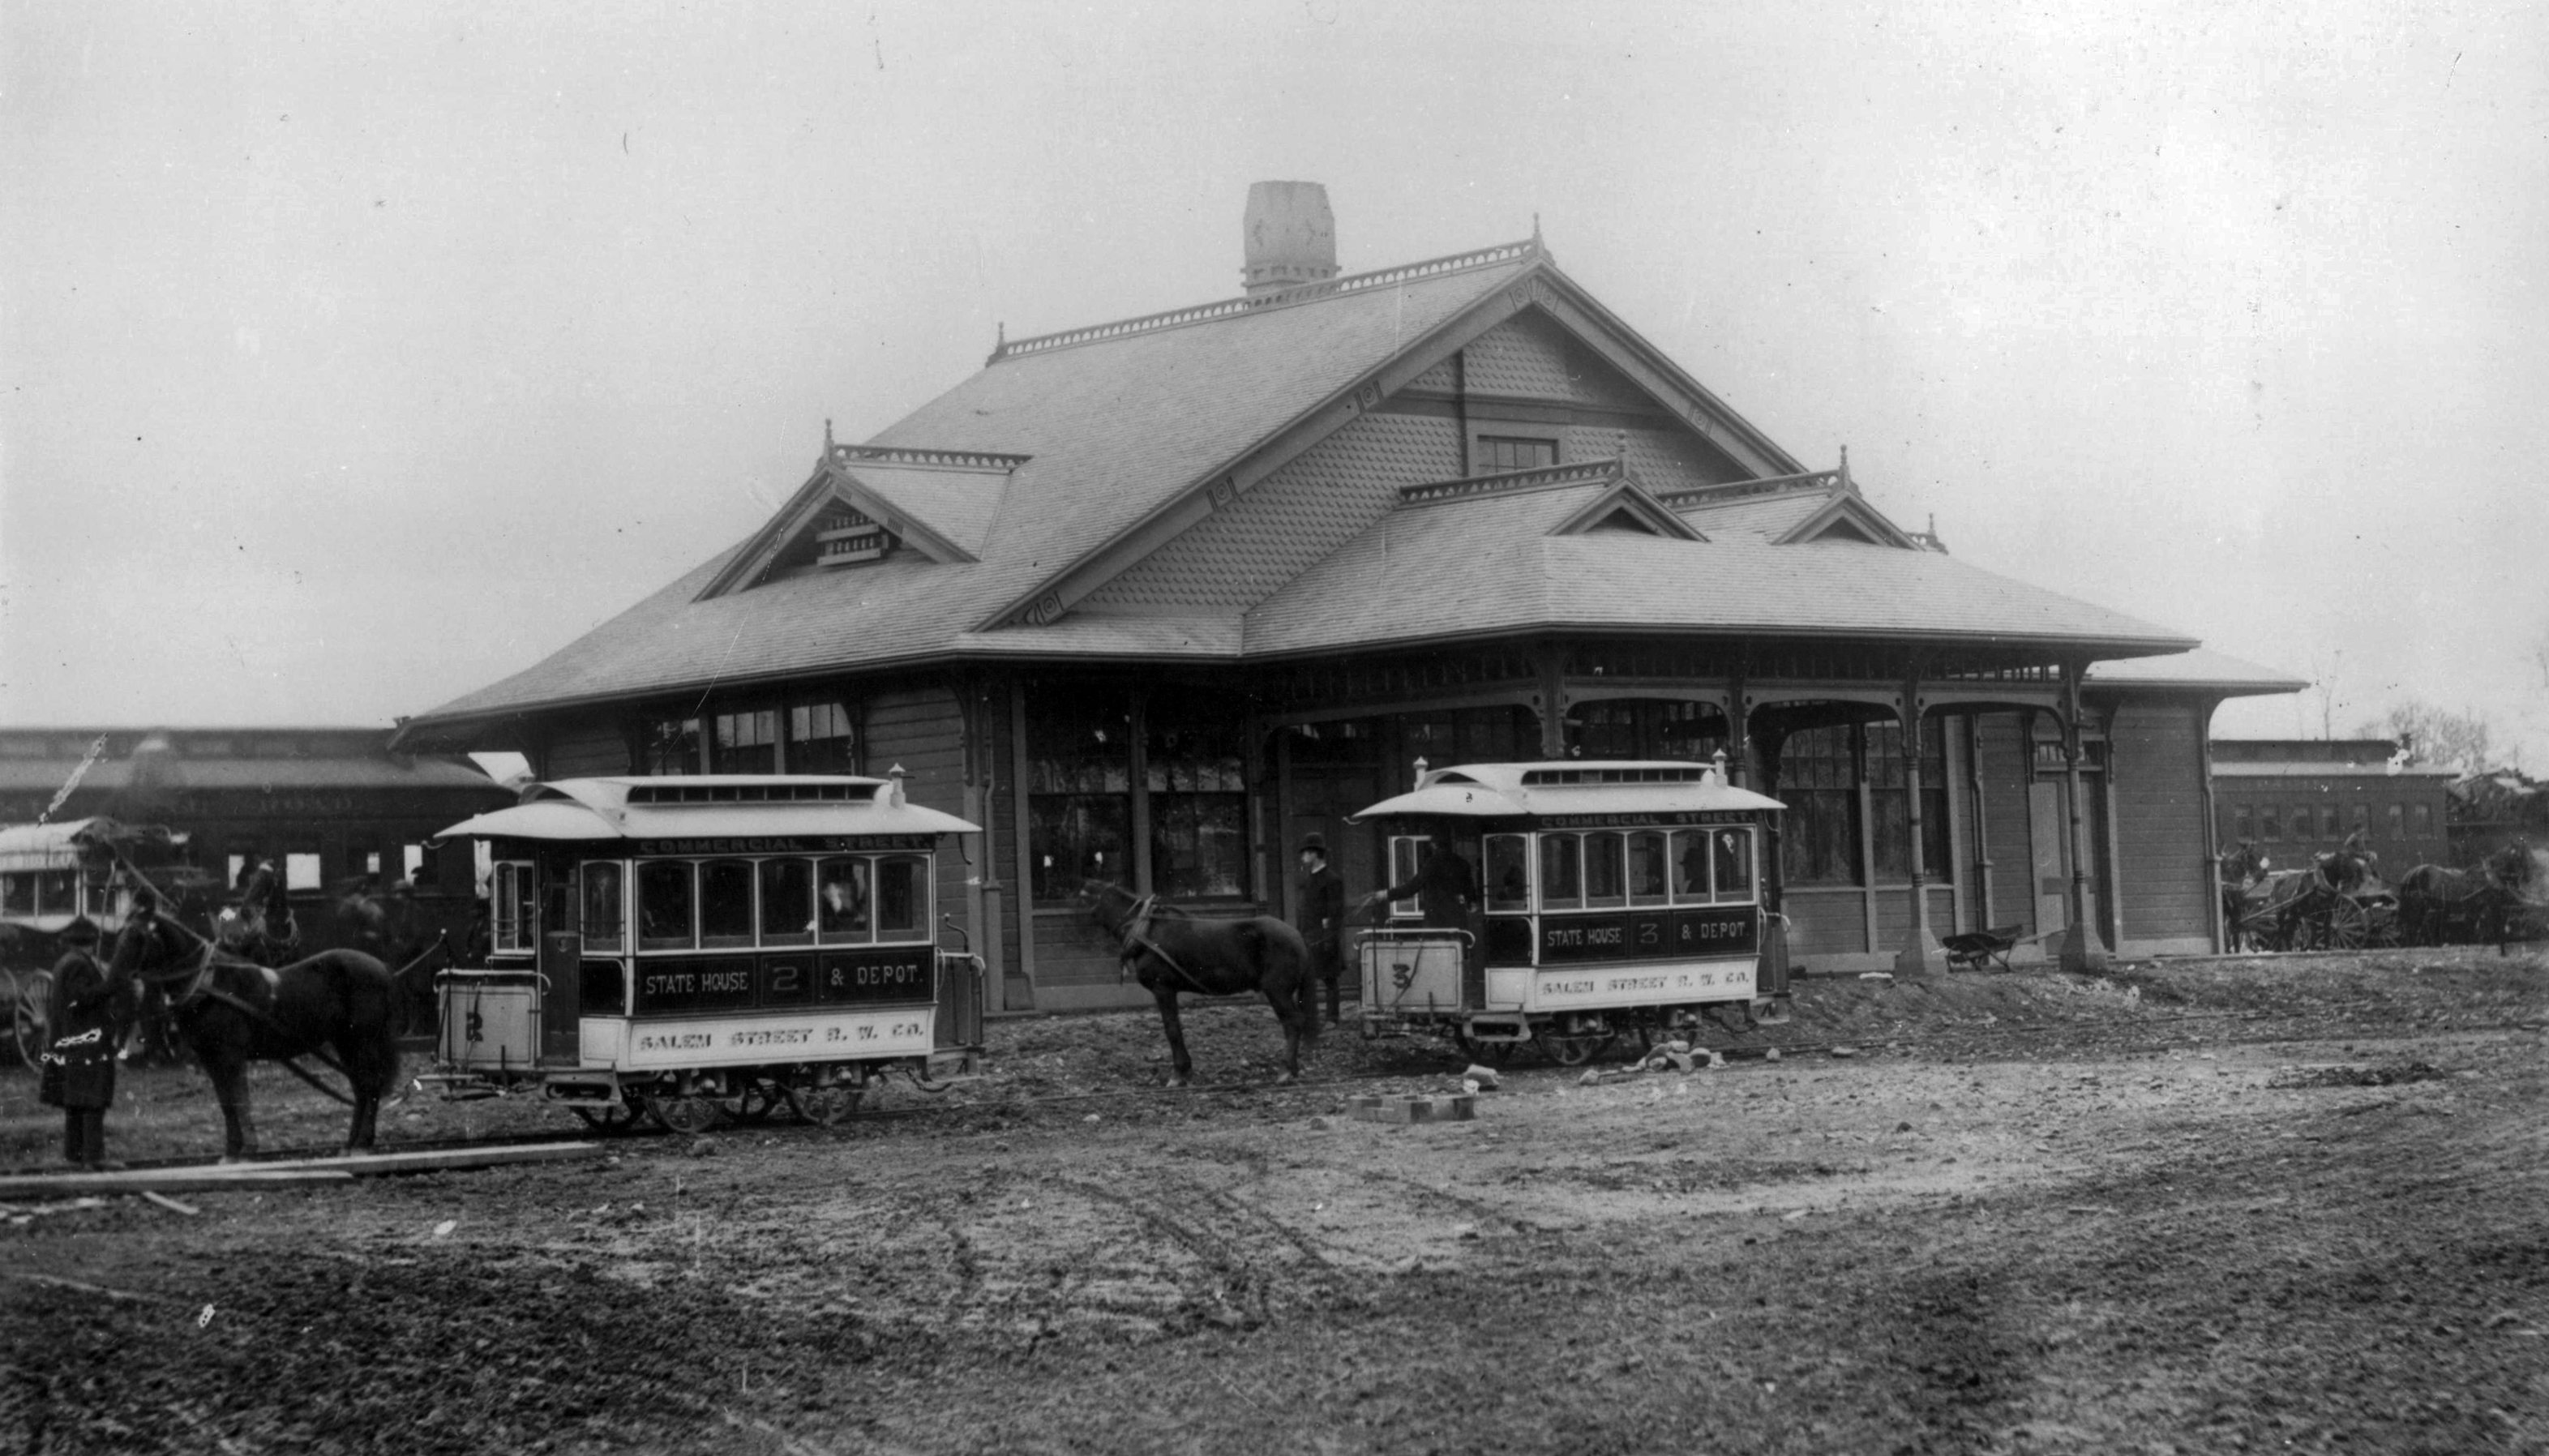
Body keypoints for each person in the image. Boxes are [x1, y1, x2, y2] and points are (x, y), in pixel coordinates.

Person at [36, 918, 122, 1168]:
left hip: (71, 1040)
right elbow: (80, 999)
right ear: (92, 943)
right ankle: (94, 1157)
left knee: (75, 1100)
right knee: (93, 1098)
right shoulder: (79, 965)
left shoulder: (66, 962)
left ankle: (74, 1156)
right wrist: (109, 988)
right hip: (87, 1041)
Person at [1295, 836, 1346, 1024]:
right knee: (1303, 978)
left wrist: (1328, 938)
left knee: (1329, 980)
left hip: (1324, 939)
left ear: (1315, 854)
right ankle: (1304, 1016)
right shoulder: (1309, 879)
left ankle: (1332, 1018)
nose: (1303, 858)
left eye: (1306, 853)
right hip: (1307, 936)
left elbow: (1335, 913)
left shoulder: (1332, 880)